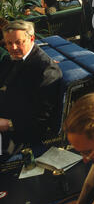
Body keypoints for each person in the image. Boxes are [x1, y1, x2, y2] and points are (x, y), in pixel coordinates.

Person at [0, 20, 62, 160]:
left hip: (18, 135)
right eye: (9, 43)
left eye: (18, 42)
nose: (13, 47)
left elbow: (40, 120)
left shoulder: (46, 70)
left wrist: (7, 124)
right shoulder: (11, 59)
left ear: (32, 38)